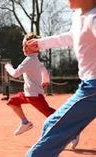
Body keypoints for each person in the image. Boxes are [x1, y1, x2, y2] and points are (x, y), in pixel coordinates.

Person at [25, 0, 96, 156]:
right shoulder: (78, 16)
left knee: (52, 126)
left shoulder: (93, 18)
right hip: (89, 85)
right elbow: (71, 37)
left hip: (93, 87)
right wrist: (41, 43)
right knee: (52, 126)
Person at [4, 33, 56, 135]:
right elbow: (43, 70)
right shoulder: (36, 60)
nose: (24, 48)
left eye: (26, 46)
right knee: (12, 101)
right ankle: (25, 123)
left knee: (51, 114)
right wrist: (45, 81)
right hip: (29, 95)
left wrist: (8, 66)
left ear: (35, 48)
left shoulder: (29, 60)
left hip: (34, 96)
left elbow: (15, 74)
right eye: (24, 45)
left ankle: (72, 131)